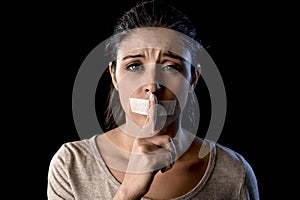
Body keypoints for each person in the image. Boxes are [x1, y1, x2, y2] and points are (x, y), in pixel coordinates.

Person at [47, 0, 259, 199]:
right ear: (114, 76)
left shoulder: (234, 172)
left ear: (193, 79)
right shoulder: (72, 164)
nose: (152, 85)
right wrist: (128, 192)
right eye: (134, 66)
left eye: (170, 67)